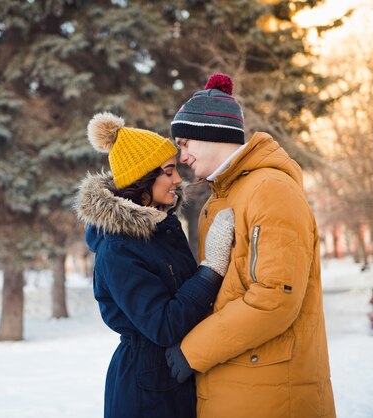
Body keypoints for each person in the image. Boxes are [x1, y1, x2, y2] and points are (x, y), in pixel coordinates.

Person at [165, 73, 336, 418]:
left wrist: (193, 351)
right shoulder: (225, 197)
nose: (182, 157)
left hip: (270, 398)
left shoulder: (270, 190)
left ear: (211, 133)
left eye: (185, 143)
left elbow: (275, 296)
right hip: (237, 389)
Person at [74, 112, 235, 418]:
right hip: (146, 391)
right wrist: (211, 269)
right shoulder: (119, 248)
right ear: (142, 178)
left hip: (174, 376)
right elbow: (162, 325)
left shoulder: (162, 231)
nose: (178, 179)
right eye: (168, 171)